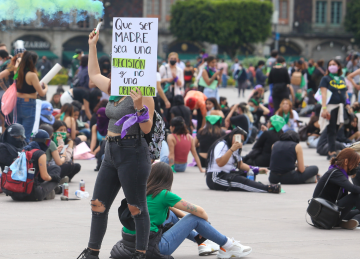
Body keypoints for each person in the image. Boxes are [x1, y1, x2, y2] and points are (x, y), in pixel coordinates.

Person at [77, 29, 155, 259]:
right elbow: (93, 74)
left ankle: (140, 254)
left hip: (133, 152)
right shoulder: (115, 87)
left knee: (136, 208)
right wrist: (92, 45)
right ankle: (92, 252)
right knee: (97, 204)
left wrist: (140, 106)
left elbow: (147, 129)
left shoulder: (143, 91)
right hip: (110, 152)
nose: (116, 71)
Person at [111, 162, 253, 258]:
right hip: (154, 248)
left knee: (173, 215)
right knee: (195, 218)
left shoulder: (140, 191)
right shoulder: (164, 194)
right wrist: (205, 225)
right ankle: (228, 246)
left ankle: (201, 241)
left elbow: (171, 210)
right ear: (167, 180)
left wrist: (187, 223)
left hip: (130, 244)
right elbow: (199, 212)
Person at [205, 128, 281, 193]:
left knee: (248, 174)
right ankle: (267, 188)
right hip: (216, 178)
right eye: (237, 138)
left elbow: (240, 165)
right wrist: (231, 150)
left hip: (227, 174)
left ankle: (257, 186)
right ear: (231, 136)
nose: (239, 141)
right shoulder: (222, 145)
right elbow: (220, 163)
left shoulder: (235, 148)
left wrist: (257, 170)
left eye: (242, 140)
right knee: (241, 181)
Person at [311, 148, 360, 229]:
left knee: (357, 211)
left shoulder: (339, 173)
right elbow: (353, 189)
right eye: (355, 164)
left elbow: (345, 200)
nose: (356, 167)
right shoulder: (336, 173)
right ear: (346, 161)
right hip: (322, 217)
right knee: (356, 196)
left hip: (326, 215)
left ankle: (353, 220)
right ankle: (348, 221)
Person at [9, 130, 62, 201]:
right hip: (33, 195)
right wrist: (54, 178)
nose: (48, 144)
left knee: (54, 168)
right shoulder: (41, 154)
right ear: (43, 142)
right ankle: (51, 191)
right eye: (47, 142)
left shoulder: (24, 150)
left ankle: (52, 190)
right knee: (56, 175)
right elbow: (44, 177)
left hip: (16, 194)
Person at [319, 59, 348, 160]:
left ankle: (332, 149)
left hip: (341, 107)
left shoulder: (342, 78)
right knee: (331, 130)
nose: (331, 66)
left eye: (334, 64)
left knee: (336, 130)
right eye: (330, 64)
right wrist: (324, 108)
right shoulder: (326, 79)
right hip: (330, 107)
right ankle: (331, 152)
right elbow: (323, 94)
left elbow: (345, 93)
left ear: (339, 66)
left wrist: (347, 105)